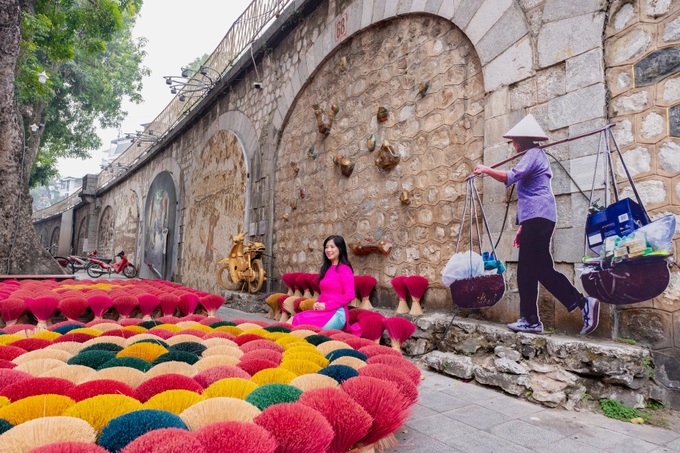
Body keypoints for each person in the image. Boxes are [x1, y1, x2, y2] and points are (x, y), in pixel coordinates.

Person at [473, 114, 600, 335]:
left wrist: (486, 170)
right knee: (534, 269)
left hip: (539, 217)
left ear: (520, 141)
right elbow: (531, 194)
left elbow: (511, 176)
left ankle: (554, 311)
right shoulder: (534, 155)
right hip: (537, 218)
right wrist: (523, 226)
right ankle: (537, 317)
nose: (512, 145)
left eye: (513, 141)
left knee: (531, 270)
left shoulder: (533, 154)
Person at [291, 235, 357, 331]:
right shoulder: (327, 269)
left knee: (309, 329)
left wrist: (327, 305)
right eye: (326, 247)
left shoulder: (345, 269)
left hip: (337, 312)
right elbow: (325, 293)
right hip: (324, 311)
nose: (328, 250)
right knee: (298, 318)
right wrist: (317, 303)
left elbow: (350, 295)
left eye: (332, 247)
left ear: (340, 249)